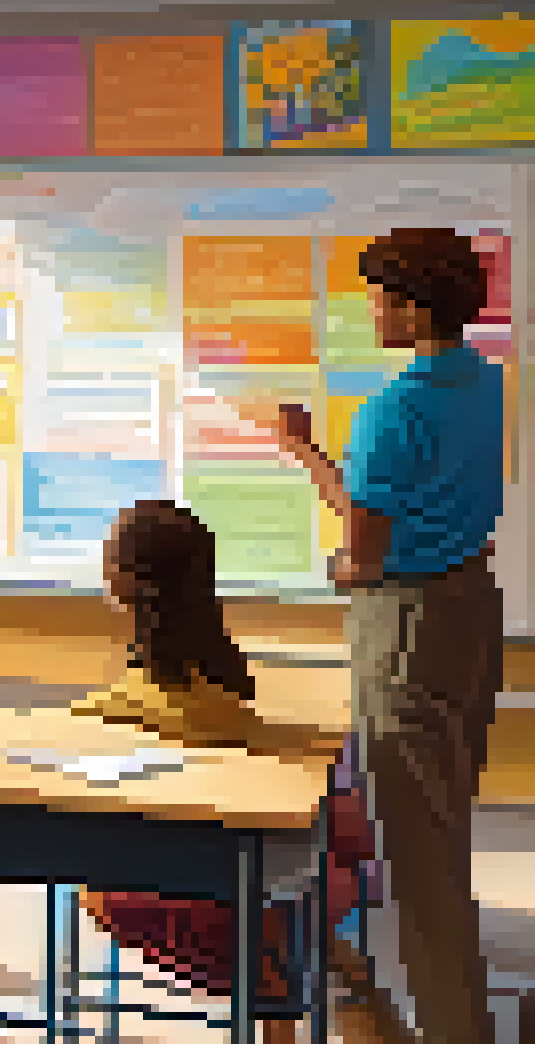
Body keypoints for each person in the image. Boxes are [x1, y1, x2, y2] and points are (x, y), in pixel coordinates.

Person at [271, 226, 506, 1044]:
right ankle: (461, 1016)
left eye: (379, 295)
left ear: (411, 307)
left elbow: (363, 558)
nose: (371, 309)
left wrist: (335, 565)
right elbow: (389, 507)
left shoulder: (390, 411)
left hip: (405, 625)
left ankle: (451, 1032)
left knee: (416, 865)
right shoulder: (486, 382)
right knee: (446, 842)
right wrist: (308, 456)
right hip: (471, 613)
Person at [73, 500, 374, 1044]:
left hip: (198, 904)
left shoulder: (116, 712)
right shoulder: (241, 698)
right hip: (275, 894)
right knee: (268, 886)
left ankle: (286, 961)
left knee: (94, 886)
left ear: (122, 584)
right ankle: (301, 971)